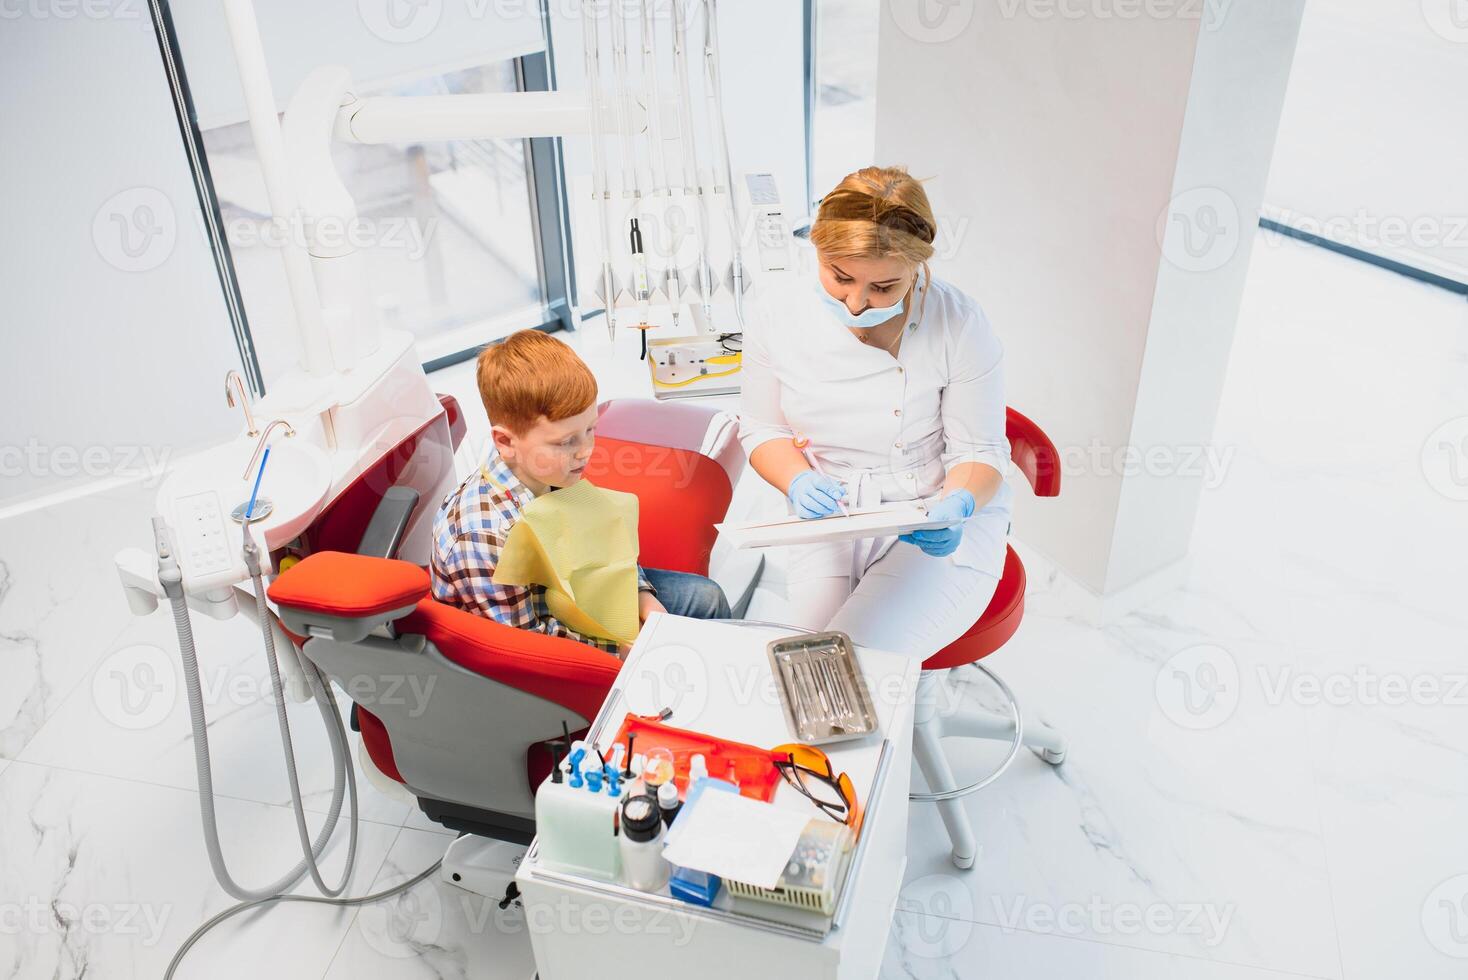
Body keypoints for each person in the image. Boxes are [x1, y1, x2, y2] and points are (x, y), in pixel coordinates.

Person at [739, 166, 1011, 660]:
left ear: (917, 267)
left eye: (885, 287)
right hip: (832, 515)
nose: (858, 303)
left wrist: (959, 503)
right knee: (804, 663)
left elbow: (981, 449)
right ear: (816, 249)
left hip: (928, 513)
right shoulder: (775, 312)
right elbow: (762, 429)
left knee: (863, 662)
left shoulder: (959, 323)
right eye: (840, 277)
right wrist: (798, 481)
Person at [432, 330, 730, 656]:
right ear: (505, 442)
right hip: (535, 650)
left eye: (591, 430)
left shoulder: (547, 469)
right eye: (566, 441)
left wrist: (642, 598)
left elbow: (604, 543)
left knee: (707, 599)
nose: (585, 451)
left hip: (573, 595)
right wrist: (620, 648)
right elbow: (526, 648)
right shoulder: (484, 534)